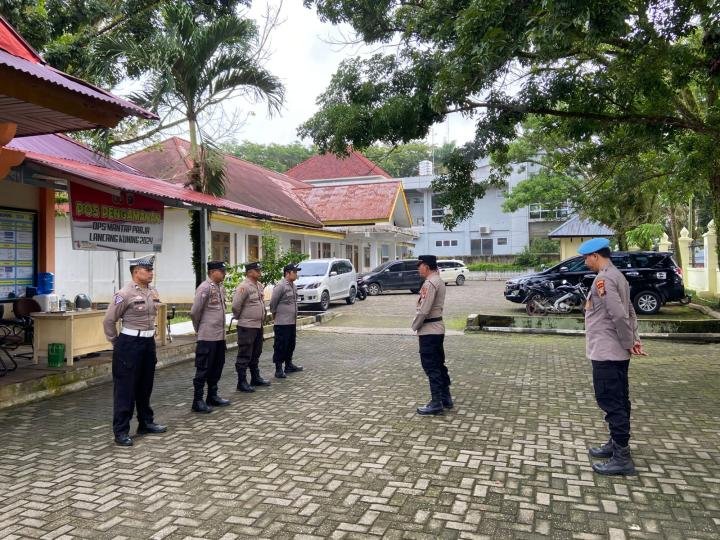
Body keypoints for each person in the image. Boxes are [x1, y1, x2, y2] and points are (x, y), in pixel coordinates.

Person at [579, 237, 647, 475]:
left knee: (610, 401)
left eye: (586, 258)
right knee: (619, 399)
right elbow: (630, 311)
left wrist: (630, 342)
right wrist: (634, 341)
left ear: (595, 256)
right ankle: (615, 444)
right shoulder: (618, 275)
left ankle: (622, 457)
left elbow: (619, 314)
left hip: (607, 351)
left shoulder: (604, 278)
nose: (585, 262)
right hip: (615, 351)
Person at [103, 255, 167, 446]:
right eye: (147, 270)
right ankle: (121, 431)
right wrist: (117, 343)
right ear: (136, 272)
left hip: (147, 344)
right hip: (129, 343)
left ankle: (145, 422)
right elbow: (108, 320)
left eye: (151, 270)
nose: (151, 273)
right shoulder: (124, 294)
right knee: (126, 389)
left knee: (145, 386)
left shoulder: (152, 291)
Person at [411, 255, 452, 415]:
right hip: (437, 329)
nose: (418, 268)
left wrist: (415, 326)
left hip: (429, 330)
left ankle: (436, 403)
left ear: (426, 266)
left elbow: (424, 309)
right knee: (439, 364)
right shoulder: (438, 280)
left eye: (419, 265)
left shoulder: (430, 283)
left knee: (431, 366)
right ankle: (445, 397)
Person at [189, 261, 231, 413]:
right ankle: (198, 400)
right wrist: (199, 329)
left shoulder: (220, 287)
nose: (224, 273)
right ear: (213, 272)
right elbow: (195, 312)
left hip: (219, 336)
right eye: (222, 271)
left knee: (217, 367)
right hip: (207, 336)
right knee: (203, 369)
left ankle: (212, 396)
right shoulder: (205, 287)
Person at [232, 261, 270, 392]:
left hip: (257, 325)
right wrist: (240, 317)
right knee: (245, 354)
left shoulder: (259, 285)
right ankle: (241, 382)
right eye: (257, 270)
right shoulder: (244, 286)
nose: (260, 272)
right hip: (247, 326)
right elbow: (236, 306)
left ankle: (255, 377)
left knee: (256, 352)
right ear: (250, 272)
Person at [269, 263, 304, 379]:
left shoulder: (293, 286)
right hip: (282, 322)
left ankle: (288, 365)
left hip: (291, 321)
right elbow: (273, 303)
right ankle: (278, 369)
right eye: (295, 272)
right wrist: (275, 314)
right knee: (280, 346)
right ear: (287, 273)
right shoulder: (280, 286)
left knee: (290, 344)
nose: (296, 274)